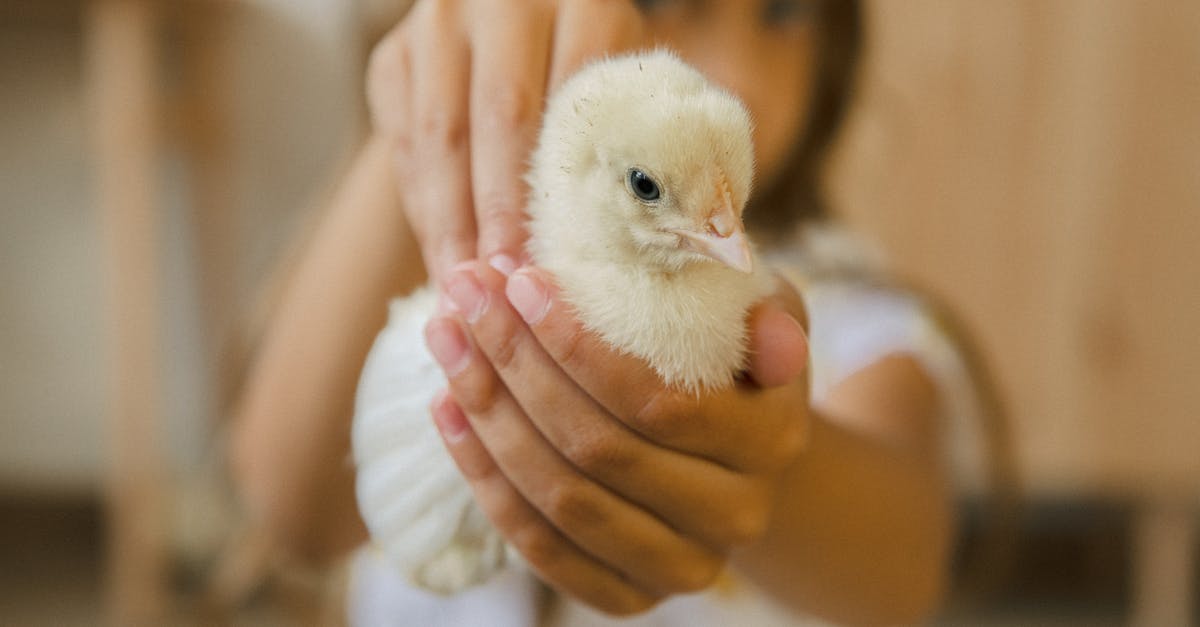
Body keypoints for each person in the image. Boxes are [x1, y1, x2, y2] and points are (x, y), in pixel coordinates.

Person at [232, 1, 980, 624]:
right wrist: (438, 115)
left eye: (784, 9)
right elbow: (293, 506)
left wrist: (770, 467)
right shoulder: (461, 262)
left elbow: (903, 568)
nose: (739, 76)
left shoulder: (840, 306)